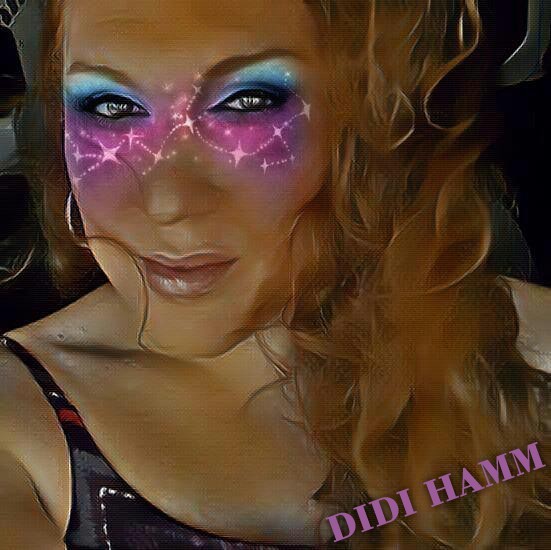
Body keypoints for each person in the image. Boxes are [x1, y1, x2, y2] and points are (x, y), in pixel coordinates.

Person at [0, 1, 549, 548]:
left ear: (364, 114)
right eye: (112, 106)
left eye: (247, 102)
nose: (168, 202)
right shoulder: (18, 424)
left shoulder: (525, 347)